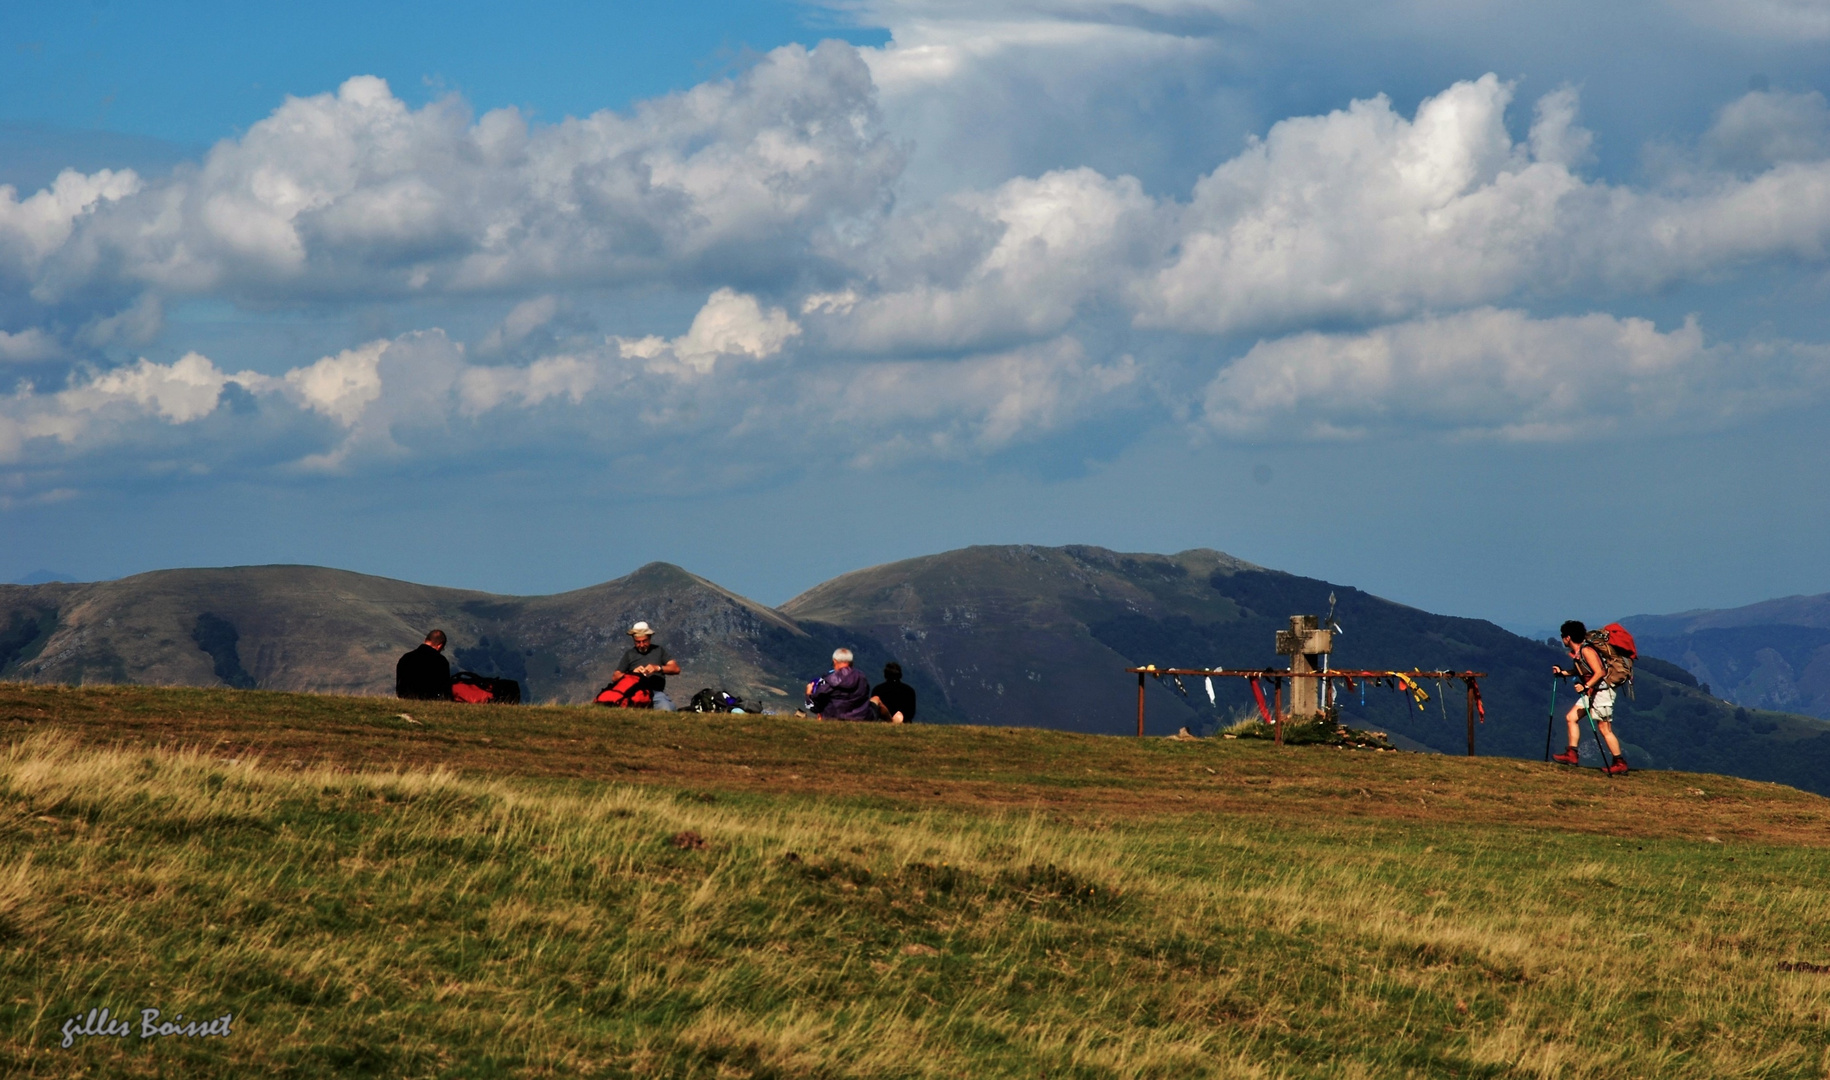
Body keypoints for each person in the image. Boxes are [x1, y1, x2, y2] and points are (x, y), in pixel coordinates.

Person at [1551, 620, 1628, 775]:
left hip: (1602, 691)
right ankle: (1572, 754)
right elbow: (1582, 670)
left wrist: (1585, 687)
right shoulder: (1581, 652)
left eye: (1563, 636)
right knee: (1571, 717)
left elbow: (1599, 672)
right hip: (1593, 691)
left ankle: (1619, 762)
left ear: (1568, 638)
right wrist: (1562, 673)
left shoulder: (1586, 651)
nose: (1562, 639)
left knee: (1604, 728)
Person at [614, 621, 680, 710]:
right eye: (638, 642)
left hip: (655, 693)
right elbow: (615, 676)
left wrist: (657, 668)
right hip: (634, 693)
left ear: (649, 638)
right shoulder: (629, 654)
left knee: (667, 709)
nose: (641, 645)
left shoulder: (658, 651)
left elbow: (675, 669)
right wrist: (632, 674)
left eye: (644, 641)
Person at [807, 648, 874, 721]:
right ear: (852, 663)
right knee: (876, 701)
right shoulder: (862, 677)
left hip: (834, 718)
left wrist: (808, 694)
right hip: (862, 717)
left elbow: (815, 707)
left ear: (835, 662)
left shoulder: (830, 680)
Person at [396, 629, 451, 700]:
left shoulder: (406, 658)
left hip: (405, 699)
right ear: (440, 646)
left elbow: (399, 685)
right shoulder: (441, 661)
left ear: (425, 640)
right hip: (429, 700)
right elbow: (444, 689)